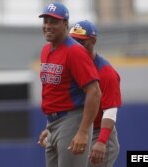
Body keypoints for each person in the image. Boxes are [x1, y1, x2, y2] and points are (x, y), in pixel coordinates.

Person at [37, 2, 101, 167]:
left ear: (65, 24)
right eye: (46, 21)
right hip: (53, 122)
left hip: (72, 120)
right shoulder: (46, 50)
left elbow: (94, 92)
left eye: (53, 21)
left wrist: (83, 131)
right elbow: (54, 90)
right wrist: (50, 127)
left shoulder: (75, 51)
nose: (48, 26)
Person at [69, 20, 122, 167]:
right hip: (77, 129)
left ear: (92, 41)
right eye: (72, 42)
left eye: (81, 42)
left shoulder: (106, 72)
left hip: (98, 133)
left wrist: (101, 142)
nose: (76, 46)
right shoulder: (71, 66)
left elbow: (110, 111)